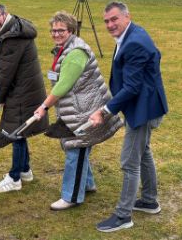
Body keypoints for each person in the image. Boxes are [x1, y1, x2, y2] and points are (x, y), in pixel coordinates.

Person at [88, 1, 168, 232]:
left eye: (114, 19)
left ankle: (123, 216)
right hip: (143, 105)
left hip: (143, 109)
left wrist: (105, 111)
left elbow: (132, 87)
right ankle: (150, 200)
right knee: (143, 152)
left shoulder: (134, 42)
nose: (110, 25)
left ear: (126, 17)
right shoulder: (132, 34)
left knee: (129, 162)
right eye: (106, 21)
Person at [34, 11, 122, 209]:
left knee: (77, 146)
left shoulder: (75, 53)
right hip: (77, 106)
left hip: (85, 109)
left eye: (61, 30)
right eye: (53, 30)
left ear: (71, 30)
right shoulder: (65, 48)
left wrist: (44, 106)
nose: (56, 34)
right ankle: (87, 183)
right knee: (78, 146)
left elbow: (63, 85)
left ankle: (71, 196)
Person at [0, 3, 47, 193]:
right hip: (27, 87)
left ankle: (14, 178)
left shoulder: (12, 38)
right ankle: (25, 170)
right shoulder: (16, 29)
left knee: (16, 132)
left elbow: (6, 74)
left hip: (22, 91)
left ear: (5, 15)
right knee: (22, 128)